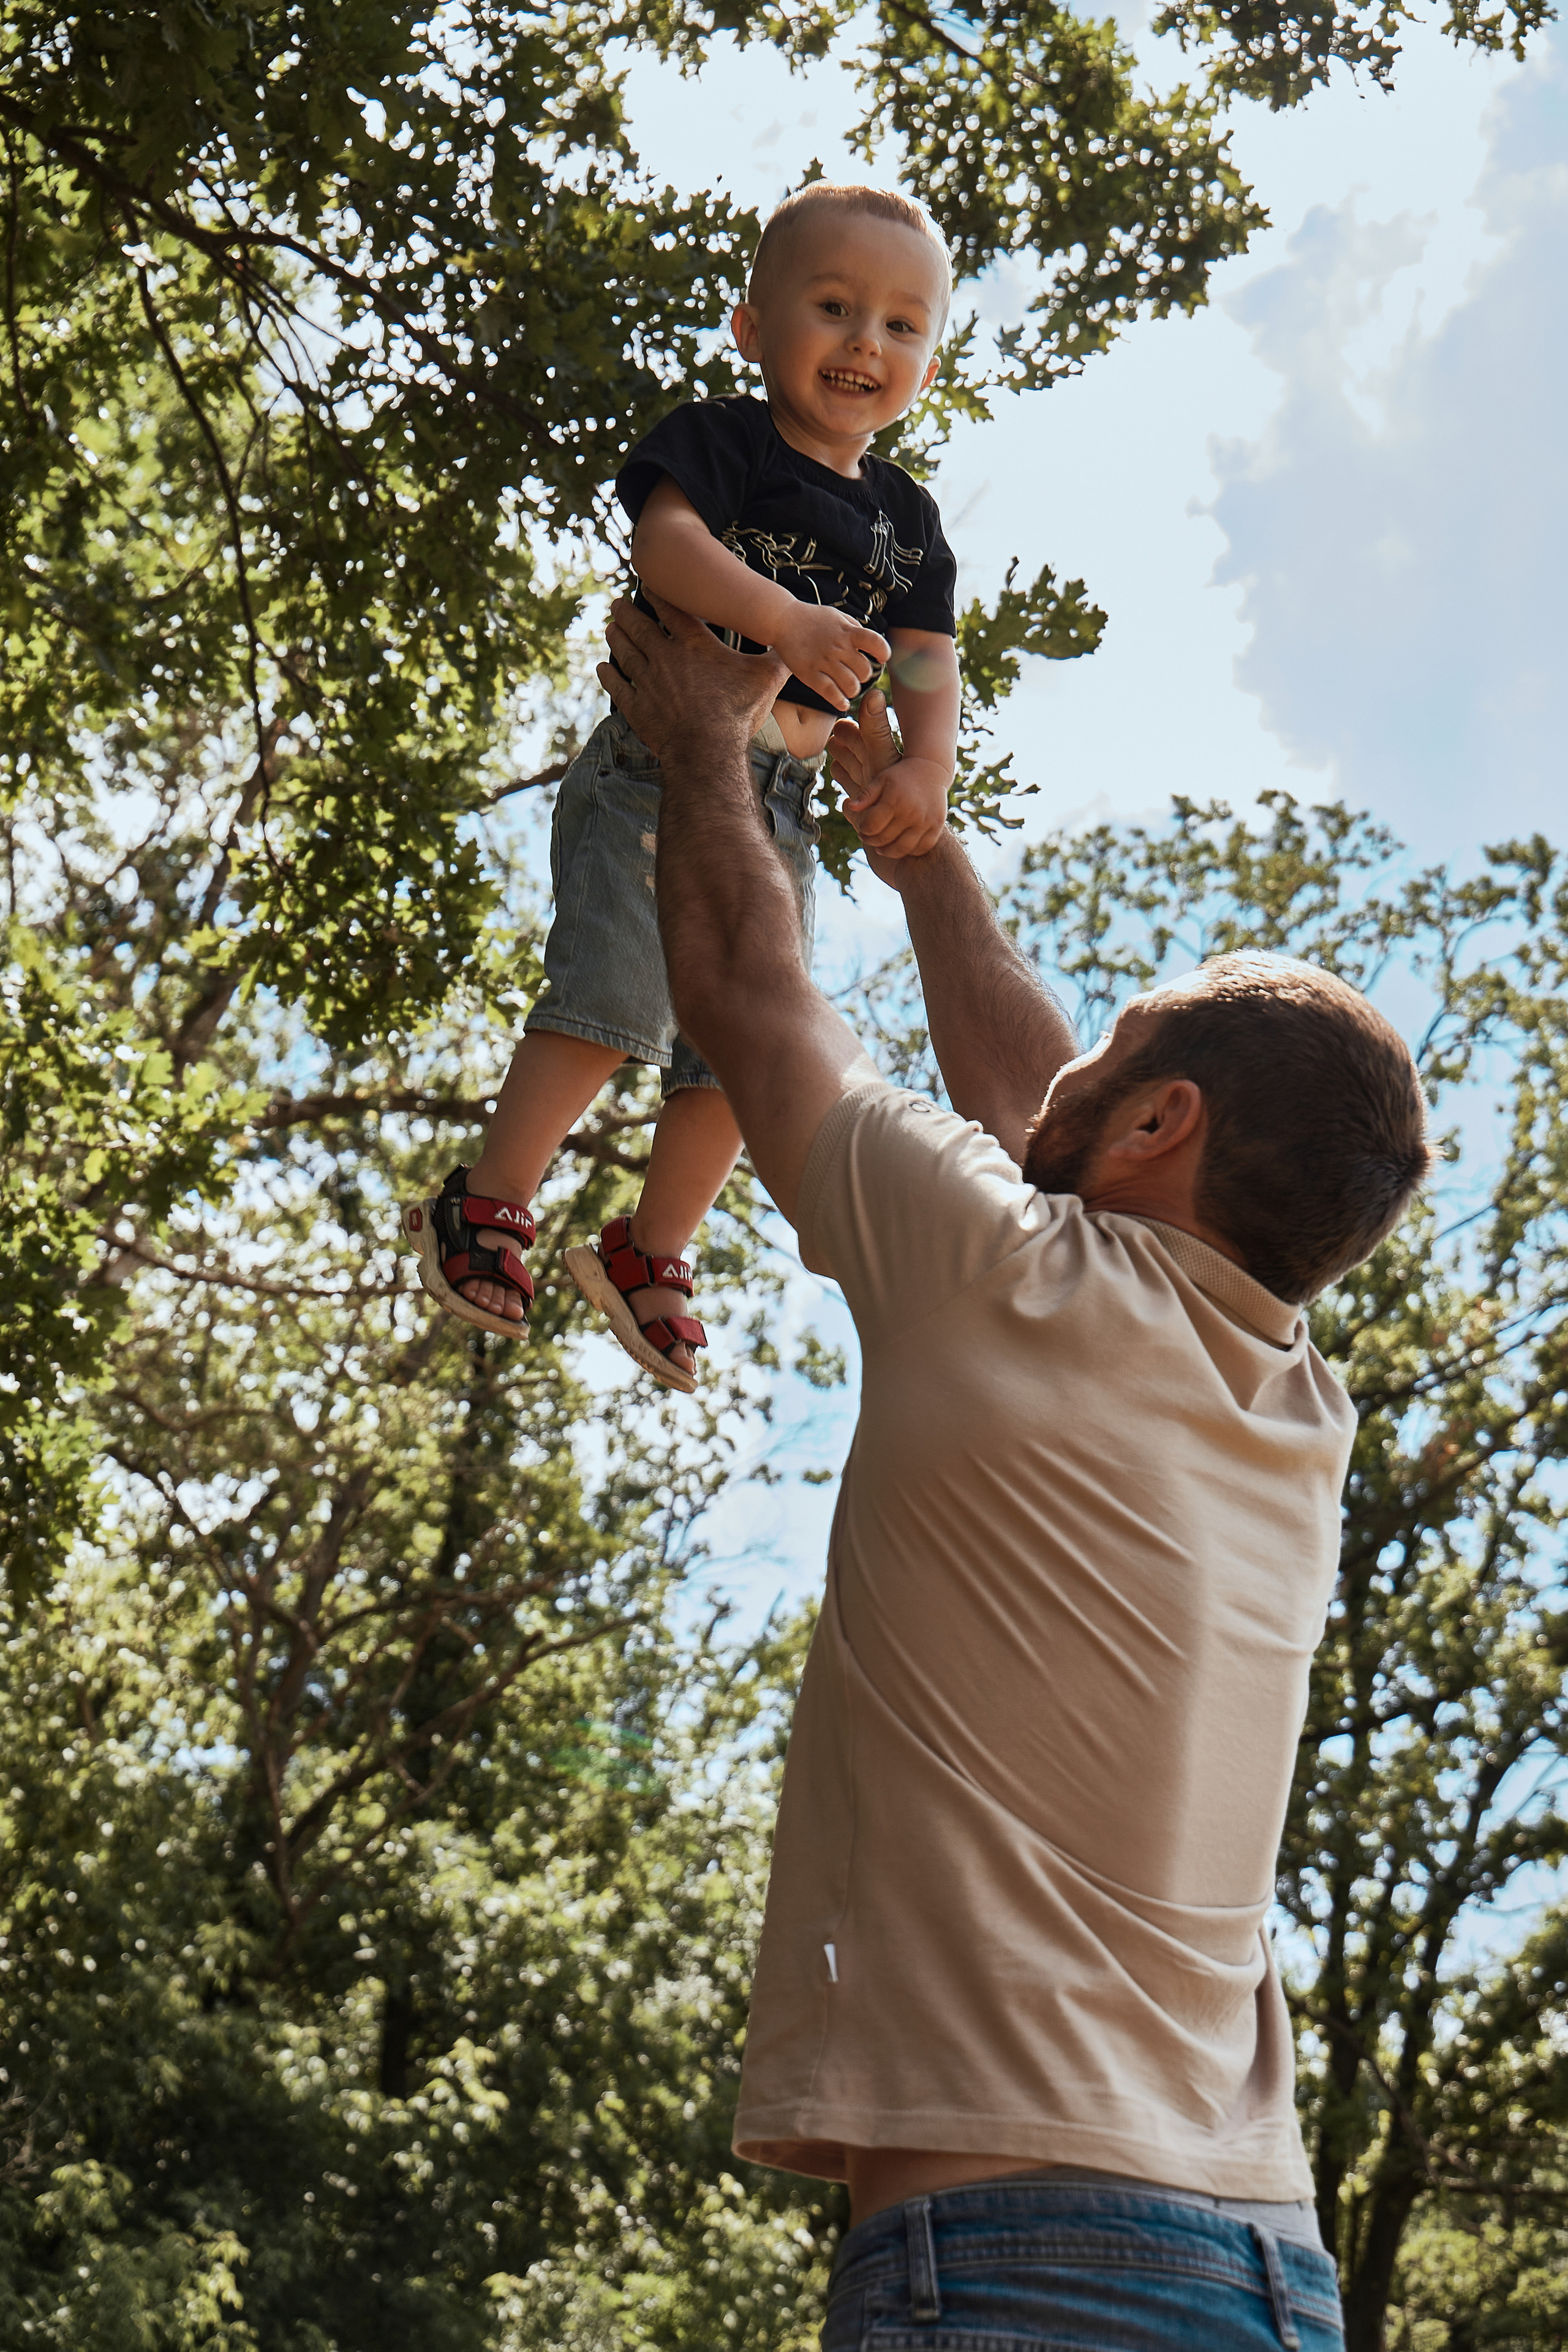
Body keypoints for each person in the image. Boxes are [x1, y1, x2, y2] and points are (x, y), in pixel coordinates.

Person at [594, 592, 1436, 2349]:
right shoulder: (1291, 1406)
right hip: (1271, 2272)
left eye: (1119, 1048)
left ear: (1157, 1127)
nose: (1071, 1068)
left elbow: (752, 1002)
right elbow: (1042, 1111)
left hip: (1029, 2265)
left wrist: (693, 732)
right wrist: (924, 858)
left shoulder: (1011, 1275)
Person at [402, 182, 960, 1393]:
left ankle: (648, 1250)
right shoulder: (727, 440)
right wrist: (785, 622)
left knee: (752, 1038)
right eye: (832, 307)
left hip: (784, 804)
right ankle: (486, 1201)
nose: (867, 341)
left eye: (903, 324)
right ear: (753, 327)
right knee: (614, 983)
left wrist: (924, 763)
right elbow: (666, 547)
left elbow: (924, 653)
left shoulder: (907, 521)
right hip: (658, 759)